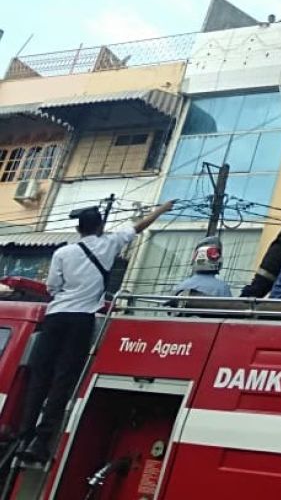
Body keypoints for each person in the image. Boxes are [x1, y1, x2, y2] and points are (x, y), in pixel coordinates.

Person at [17, 199, 175, 465]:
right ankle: (41, 442)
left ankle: (24, 436)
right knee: (63, 379)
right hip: (81, 320)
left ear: (79, 230)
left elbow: (53, 287)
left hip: (55, 317)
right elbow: (139, 225)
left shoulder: (63, 253)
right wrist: (163, 209)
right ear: (100, 226)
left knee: (40, 377)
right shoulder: (109, 244)